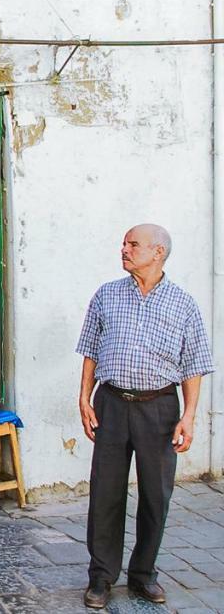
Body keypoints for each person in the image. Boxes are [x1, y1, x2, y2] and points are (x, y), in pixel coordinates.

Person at [75, 224, 214, 608]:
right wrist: (84, 398)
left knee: (156, 495)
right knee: (105, 493)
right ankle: (101, 577)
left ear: (158, 253)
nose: (124, 249)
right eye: (124, 242)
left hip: (160, 408)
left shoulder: (183, 304)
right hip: (112, 404)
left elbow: (194, 366)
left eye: (133, 244)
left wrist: (188, 417)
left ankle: (143, 574)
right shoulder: (106, 295)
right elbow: (89, 350)